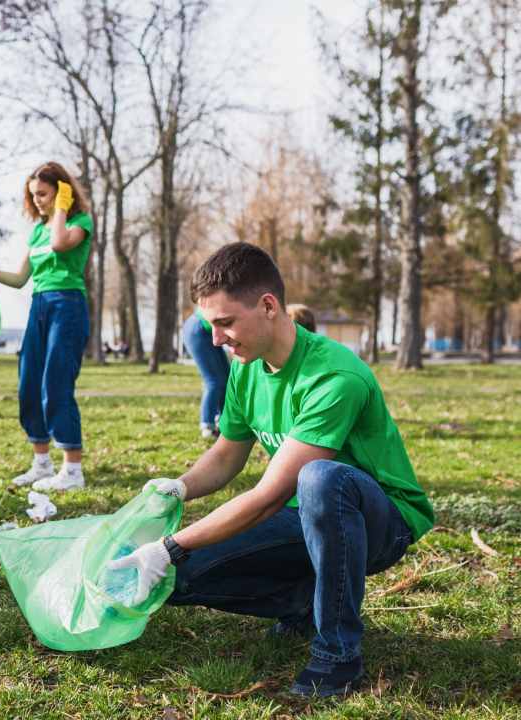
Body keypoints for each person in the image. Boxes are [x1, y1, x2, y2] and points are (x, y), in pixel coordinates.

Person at [109, 243, 434, 697]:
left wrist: (171, 544)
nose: (217, 339)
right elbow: (226, 454)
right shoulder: (247, 366)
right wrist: (179, 488)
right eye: (210, 327)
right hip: (306, 516)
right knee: (173, 579)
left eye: (225, 323)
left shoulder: (333, 377)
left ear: (268, 306)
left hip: (378, 522)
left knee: (321, 479)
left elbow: (269, 496)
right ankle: (305, 602)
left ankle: (337, 655)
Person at [0, 162, 93, 492]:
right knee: (29, 382)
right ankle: (41, 463)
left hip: (68, 305)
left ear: (62, 191)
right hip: (40, 306)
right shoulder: (36, 232)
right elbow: (20, 279)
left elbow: (61, 244)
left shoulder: (79, 222)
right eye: (33, 196)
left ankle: (73, 470)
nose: (37, 202)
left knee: (56, 383)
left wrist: (62, 208)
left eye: (44, 194)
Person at [182, 307, 229, 439]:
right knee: (214, 381)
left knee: (227, 378)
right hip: (198, 329)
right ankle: (207, 425)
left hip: (207, 330)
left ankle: (225, 422)